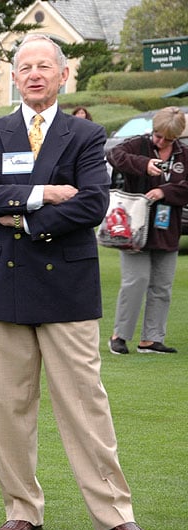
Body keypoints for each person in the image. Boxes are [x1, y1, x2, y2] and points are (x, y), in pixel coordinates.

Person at [0, 34, 144, 530]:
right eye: (25, 67)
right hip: (5, 286)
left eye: (45, 66)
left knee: (86, 407)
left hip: (67, 287)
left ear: (64, 75)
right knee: (9, 410)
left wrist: (18, 214)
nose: (35, 74)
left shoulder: (86, 135)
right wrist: (43, 193)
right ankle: (21, 513)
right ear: (14, 77)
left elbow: (91, 204)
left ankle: (114, 516)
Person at [106, 106, 188, 355]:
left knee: (162, 286)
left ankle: (151, 339)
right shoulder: (137, 145)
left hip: (167, 227)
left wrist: (165, 191)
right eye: (157, 134)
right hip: (133, 226)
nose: (160, 140)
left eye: (167, 138)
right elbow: (114, 155)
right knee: (135, 281)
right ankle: (119, 336)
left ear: (177, 137)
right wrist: (143, 164)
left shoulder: (184, 154)